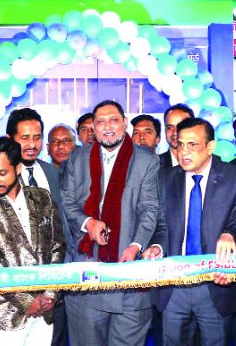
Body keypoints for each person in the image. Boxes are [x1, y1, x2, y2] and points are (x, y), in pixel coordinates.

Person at [61, 100, 161, 345]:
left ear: (125, 123)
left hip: (129, 275)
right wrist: (87, 223)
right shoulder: (78, 157)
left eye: (114, 120)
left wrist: (136, 245)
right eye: (100, 122)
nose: (108, 127)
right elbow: (66, 200)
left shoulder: (146, 160)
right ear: (93, 128)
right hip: (86, 275)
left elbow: (149, 209)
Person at [145, 118, 236, 345]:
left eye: (192, 145)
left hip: (215, 286)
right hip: (173, 285)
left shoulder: (235, 178)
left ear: (210, 147)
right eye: (180, 144)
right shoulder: (164, 179)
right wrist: (156, 246)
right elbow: (160, 225)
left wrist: (230, 233)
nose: (184, 151)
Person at [0, 137, 65, 346]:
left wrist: (50, 294)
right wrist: (28, 300)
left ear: (18, 168)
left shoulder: (42, 197)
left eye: (2, 173)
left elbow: (57, 246)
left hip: (45, 308)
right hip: (4, 312)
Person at [5, 108, 71, 346]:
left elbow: (62, 230)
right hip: (11, 300)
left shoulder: (52, 172)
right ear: (11, 138)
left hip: (54, 290)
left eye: (37, 137)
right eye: (25, 138)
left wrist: (54, 290)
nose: (32, 144)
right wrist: (25, 297)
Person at [160, 104, 195, 169]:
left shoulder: (207, 163)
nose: (175, 132)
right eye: (170, 127)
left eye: (180, 127)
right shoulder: (153, 165)